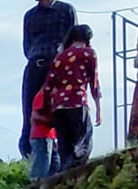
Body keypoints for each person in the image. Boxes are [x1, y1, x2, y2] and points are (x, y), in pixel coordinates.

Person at [22, 0, 79, 158]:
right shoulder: (30, 15)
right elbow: (27, 46)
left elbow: (74, 41)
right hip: (36, 65)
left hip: (59, 66)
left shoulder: (66, 10)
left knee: (62, 110)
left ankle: (66, 156)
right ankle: (30, 155)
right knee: (30, 110)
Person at [41, 24, 100, 174]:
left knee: (64, 145)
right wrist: (99, 108)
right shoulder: (88, 53)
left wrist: (45, 108)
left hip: (58, 106)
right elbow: (94, 83)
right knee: (83, 142)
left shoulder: (59, 57)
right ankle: (74, 172)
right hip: (77, 102)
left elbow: (48, 85)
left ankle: (63, 176)